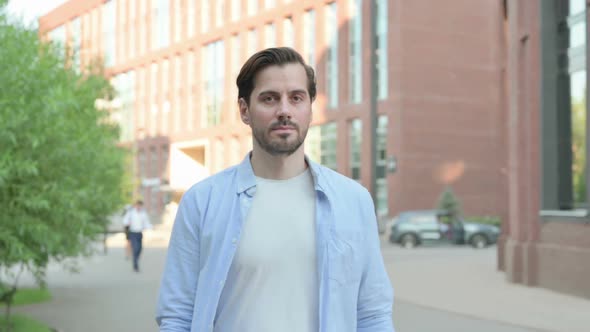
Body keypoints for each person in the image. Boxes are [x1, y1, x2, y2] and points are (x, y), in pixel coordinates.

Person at [156, 47, 394, 331]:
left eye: (296, 98)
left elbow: (372, 314)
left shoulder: (353, 200)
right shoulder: (202, 201)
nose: (284, 110)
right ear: (244, 110)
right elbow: (177, 315)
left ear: (309, 107)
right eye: (269, 99)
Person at [122, 200, 152, 272]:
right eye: (138, 205)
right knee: (135, 248)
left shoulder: (143, 214)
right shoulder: (131, 213)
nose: (139, 207)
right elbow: (125, 220)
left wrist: (149, 227)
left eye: (140, 205)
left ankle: (136, 259)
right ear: (136, 205)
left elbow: (146, 222)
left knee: (139, 249)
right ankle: (135, 265)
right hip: (133, 232)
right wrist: (127, 223)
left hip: (139, 233)